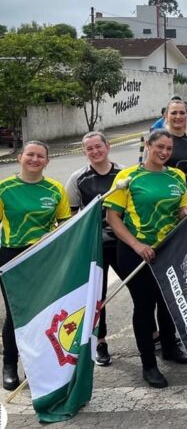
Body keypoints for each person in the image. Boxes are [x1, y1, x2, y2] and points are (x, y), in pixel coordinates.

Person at [105, 131, 187, 388]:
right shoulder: (127, 177)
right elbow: (113, 218)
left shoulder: (176, 176)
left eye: (169, 148)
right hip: (135, 252)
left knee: (168, 302)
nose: (164, 152)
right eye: (159, 147)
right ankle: (149, 364)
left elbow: (179, 210)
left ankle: (170, 347)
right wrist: (137, 245)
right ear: (148, 145)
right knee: (145, 306)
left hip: (168, 250)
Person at [0, 141, 71, 390]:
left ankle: (39, 367)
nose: (35, 159)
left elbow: (65, 224)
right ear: (20, 157)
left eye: (40, 156)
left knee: (43, 313)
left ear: (47, 161)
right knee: (16, 313)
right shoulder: (4, 188)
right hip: (12, 256)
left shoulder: (56, 189)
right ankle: (9, 365)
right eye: (30, 154)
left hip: (44, 257)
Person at [66, 132, 124, 367]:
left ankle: (152, 333)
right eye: (89, 148)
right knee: (97, 297)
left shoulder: (124, 174)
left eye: (98, 146)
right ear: (84, 152)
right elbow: (71, 216)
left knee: (141, 289)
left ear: (108, 146)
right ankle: (100, 342)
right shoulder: (77, 178)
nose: (95, 151)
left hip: (122, 242)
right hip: (94, 246)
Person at [144, 99, 187, 188]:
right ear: (166, 116)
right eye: (174, 113)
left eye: (182, 113)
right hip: (163, 192)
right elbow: (145, 171)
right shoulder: (156, 141)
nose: (178, 116)